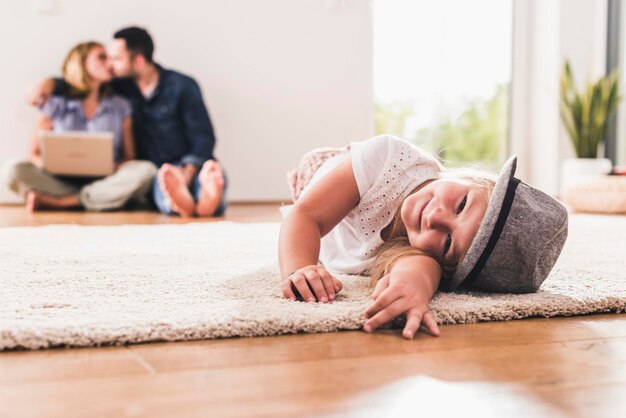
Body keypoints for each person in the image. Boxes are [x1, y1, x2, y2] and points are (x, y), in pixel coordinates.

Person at [279, 134, 569, 339]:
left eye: (447, 242)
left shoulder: (421, 253)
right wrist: (300, 268)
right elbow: (305, 217)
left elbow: (420, 270)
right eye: (461, 205)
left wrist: (415, 287)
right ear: (473, 180)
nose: (434, 218)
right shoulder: (386, 160)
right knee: (306, 192)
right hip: (323, 169)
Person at [28, 27, 226, 217]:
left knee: (206, 179)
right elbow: (79, 83)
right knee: (161, 185)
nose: (110, 64)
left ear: (137, 61)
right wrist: (48, 83)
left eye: (116, 59)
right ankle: (190, 203)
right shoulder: (118, 87)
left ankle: (206, 201)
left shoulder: (182, 86)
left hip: (188, 163)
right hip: (160, 171)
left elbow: (203, 135)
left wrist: (188, 170)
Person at [4, 41, 156, 212]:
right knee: (12, 170)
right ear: (81, 63)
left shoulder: (121, 106)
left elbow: (130, 156)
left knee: (146, 171)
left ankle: (64, 202)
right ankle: (98, 199)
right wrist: (53, 167)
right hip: (61, 181)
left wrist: (112, 168)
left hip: (106, 180)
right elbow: (33, 155)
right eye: (101, 57)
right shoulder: (54, 104)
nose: (109, 62)